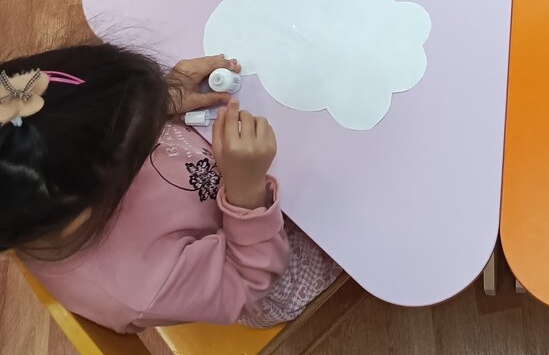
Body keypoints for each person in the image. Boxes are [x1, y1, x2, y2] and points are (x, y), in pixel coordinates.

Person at [2, 43, 340, 332]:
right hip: (259, 266)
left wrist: (159, 99)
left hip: (231, 171)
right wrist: (247, 191)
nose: (149, 129)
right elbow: (249, 279)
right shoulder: (141, 288)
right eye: (137, 136)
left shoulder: (50, 181)